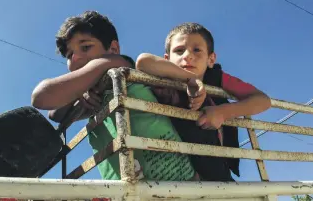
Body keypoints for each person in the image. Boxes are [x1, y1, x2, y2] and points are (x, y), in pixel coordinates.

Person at [31, 11, 197, 181]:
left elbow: (41, 97)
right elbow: (55, 114)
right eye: (69, 55)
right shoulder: (95, 95)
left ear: (113, 49)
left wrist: (81, 87)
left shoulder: (116, 64)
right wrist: (80, 93)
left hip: (177, 183)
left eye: (86, 47)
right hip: (133, 191)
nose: (75, 59)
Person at [136, 22, 271, 181]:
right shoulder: (163, 75)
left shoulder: (215, 77)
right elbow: (142, 61)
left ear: (211, 59)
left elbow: (263, 100)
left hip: (215, 170)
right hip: (174, 167)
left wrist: (223, 112)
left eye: (197, 50)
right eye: (179, 51)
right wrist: (191, 80)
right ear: (167, 58)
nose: (187, 55)